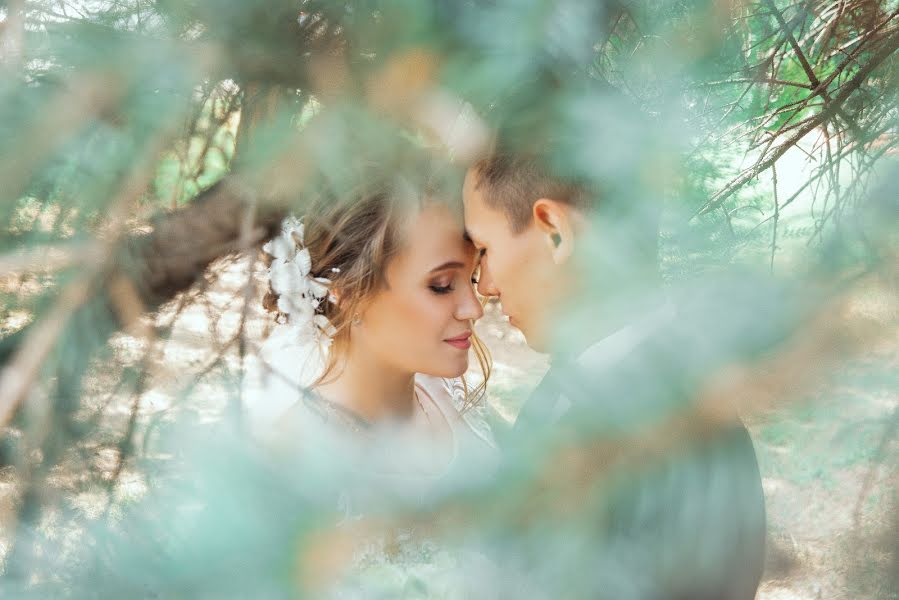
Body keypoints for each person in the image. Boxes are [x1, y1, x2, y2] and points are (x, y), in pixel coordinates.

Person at [462, 152, 767, 599]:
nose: (484, 285)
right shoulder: (605, 374)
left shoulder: (672, 437)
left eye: (485, 250)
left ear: (554, 234)